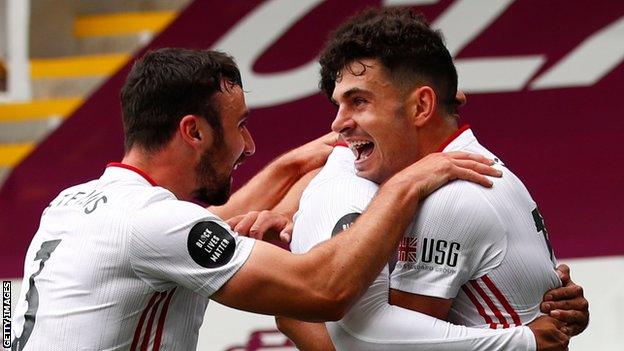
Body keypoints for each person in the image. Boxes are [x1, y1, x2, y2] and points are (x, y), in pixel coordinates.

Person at [7, 48, 508, 351]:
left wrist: (302, 163)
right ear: (194, 132)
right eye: (240, 127)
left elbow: (210, 222)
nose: (249, 146)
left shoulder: (71, 204)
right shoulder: (153, 225)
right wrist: (407, 181)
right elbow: (325, 291)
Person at [248, 8, 588, 351]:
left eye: (359, 101)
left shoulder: (449, 197)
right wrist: (292, 219)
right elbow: (335, 167)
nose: (338, 124)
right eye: (338, 105)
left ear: (421, 106)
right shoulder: (465, 166)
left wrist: (292, 302)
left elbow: (369, 345)